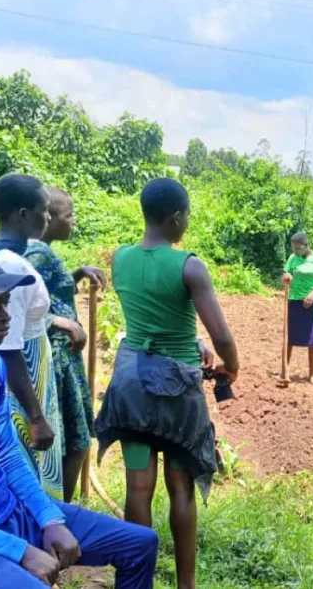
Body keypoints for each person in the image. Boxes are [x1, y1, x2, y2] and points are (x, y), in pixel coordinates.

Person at [0, 253, 159, 589]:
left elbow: (9, 455)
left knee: (139, 544)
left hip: (9, 512)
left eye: (5, 303)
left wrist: (48, 517)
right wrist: (20, 551)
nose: (5, 316)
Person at [95, 177, 239, 589]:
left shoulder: (120, 258)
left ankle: (137, 580)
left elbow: (151, 318)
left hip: (131, 385)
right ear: (176, 218)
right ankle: (186, 585)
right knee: (181, 489)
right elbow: (223, 336)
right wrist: (233, 366)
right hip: (175, 392)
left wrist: (191, 339)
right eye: (187, 215)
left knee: (138, 487)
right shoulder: (189, 265)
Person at [0, 174, 63, 499]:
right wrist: (36, 417)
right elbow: (9, 347)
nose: (49, 217)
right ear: (23, 214)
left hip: (30, 372)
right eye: (44, 210)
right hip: (22, 380)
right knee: (25, 469)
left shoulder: (7, 256)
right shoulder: (9, 266)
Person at [25, 187, 107, 502]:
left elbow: (44, 293)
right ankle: (62, 514)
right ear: (47, 218)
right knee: (75, 442)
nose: (73, 221)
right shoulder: (34, 254)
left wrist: (76, 273)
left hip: (61, 359)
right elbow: (16, 306)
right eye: (68, 215)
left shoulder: (40, 251)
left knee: (69, 441)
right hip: (54, 360)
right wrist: (63, 323)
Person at [281, 232, 313, 384]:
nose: (296, 251)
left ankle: (312, 375)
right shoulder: (292, 258)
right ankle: (284, 371)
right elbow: (287, 272)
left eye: (298, 248)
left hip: (312, 302)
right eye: (294, 248)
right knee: (289, 337)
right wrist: (287, 276)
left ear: (306, 245)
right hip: (293, 300)